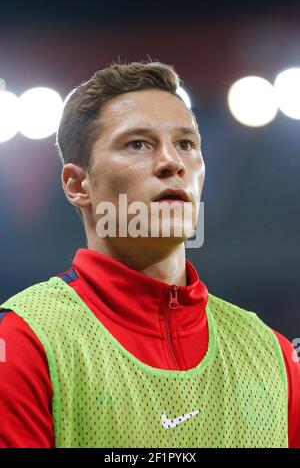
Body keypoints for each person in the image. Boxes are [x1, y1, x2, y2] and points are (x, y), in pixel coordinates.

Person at [0, 62, 299, 448]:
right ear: (78, 184)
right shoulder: (23, 343)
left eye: (186, 144)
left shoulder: (273, 355)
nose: (172, 162)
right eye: (137, 144)